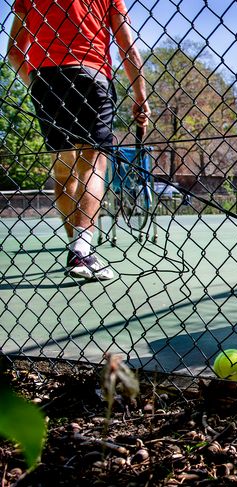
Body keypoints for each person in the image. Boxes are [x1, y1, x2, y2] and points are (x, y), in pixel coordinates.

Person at [7, 0, 151, 280]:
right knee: (93, 164)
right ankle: (82, 251)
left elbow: (14, 51)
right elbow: (126, 46)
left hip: (45, 78)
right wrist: (140, 96)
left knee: (63, 169)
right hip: (91, 75)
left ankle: (78, 248)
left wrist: (37, 85)